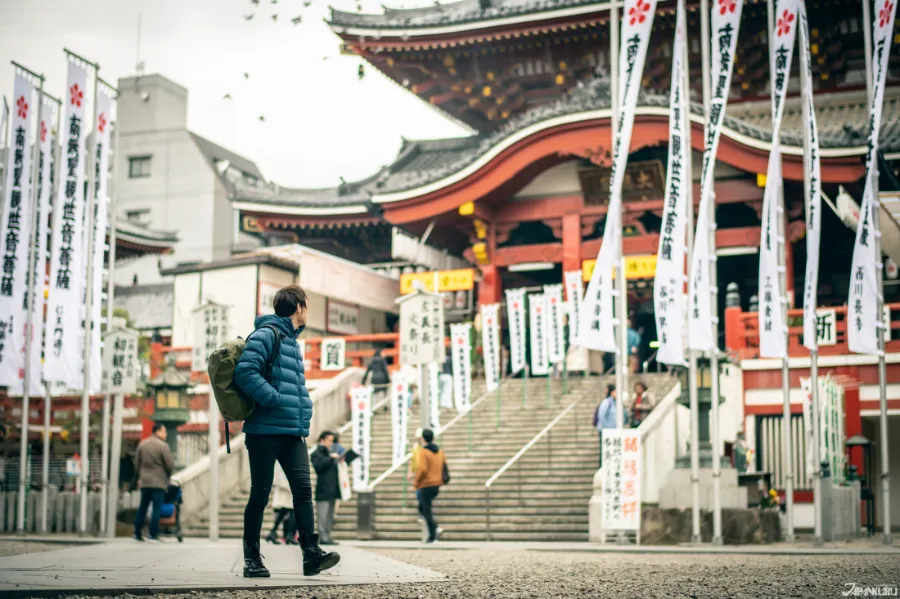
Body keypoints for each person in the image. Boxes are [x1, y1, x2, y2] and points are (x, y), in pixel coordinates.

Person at [234, 284, 339, 578]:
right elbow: (245, 372)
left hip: (292, 433)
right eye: (307, 304)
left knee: (303, 491)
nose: (308, 310)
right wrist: (274, 399)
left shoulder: (292, 342)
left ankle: (311, 554)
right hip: (264, 431)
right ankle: (252, 559)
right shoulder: (267, 334)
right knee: (261, 494)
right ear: (299, 307)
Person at [133, 423, 175, 542]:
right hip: (159, 482)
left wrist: (141, 475)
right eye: (164, 431)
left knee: (143, 507)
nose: (165, 434)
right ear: (158, 431)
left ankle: (137, 532)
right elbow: (170, 465)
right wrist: (168, 476)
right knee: (157, 507)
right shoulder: (163, 446)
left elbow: (136, 463)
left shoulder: (143, 444)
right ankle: (153, 533)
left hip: (145, 481)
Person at [413, 428, 446, 544]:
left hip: (426, 484)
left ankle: (433, 534)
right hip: (436, 483)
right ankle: (434, 531)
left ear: (422, 438)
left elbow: (422, 469)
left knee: (425, 509)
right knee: (424, 508)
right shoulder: (439, 451)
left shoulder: (423, 451)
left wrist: (416, 482)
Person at [310, 431, 342, 546]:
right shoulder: (317, 453)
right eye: (329, 440)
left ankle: (327, 536)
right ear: (322, 440)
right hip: (323, 489)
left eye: (332, 441)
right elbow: (319, 466)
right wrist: (331, 458)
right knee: (322, 515)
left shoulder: (330, 453)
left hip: (333, 489)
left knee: (330, 515)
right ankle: (322, 536)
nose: (331, 443)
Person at [265, 466, 297, 545]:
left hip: (285, 487)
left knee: (284, 511)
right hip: (286, 488)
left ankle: (273, 533)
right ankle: (289, 535)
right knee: (293, 510)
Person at [593, 385, 618, 469]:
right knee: (604, 450)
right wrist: (607, 428)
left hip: (613, 431)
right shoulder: (607, 402)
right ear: (612, 392)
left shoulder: (616, 403)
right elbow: (601, 416)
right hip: (605, 431)